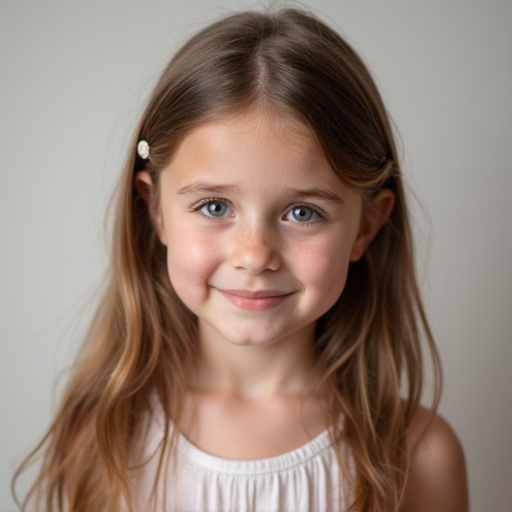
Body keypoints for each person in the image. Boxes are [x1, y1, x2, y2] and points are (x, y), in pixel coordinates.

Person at [13, 7, 468, 512]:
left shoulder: (419, 456)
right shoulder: (103, 439)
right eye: (214, 207)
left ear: (365, 226)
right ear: (155, 211)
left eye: (302, 211)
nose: (255, 256)